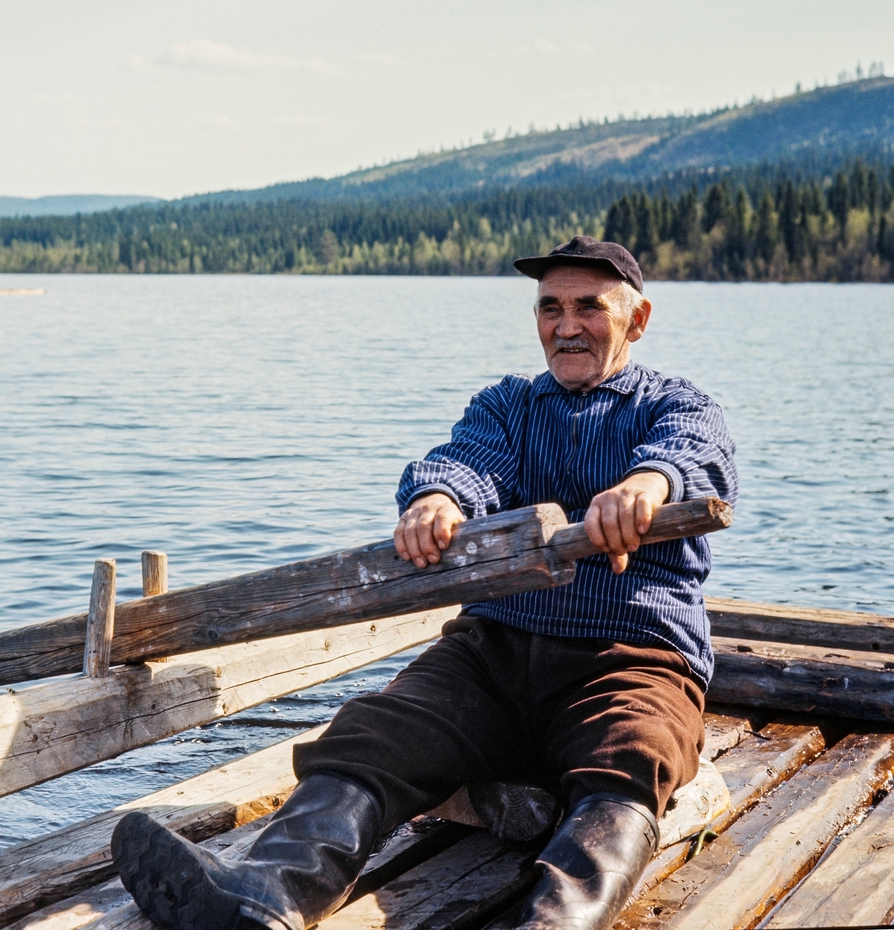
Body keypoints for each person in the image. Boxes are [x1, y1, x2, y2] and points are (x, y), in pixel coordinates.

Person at [112, 235, 738, 930]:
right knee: (371, 734)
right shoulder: (507, 404)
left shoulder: (674, 403)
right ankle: (264, 897)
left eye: (588, 307)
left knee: (631, 756)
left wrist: (646, 485)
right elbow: (464, 460)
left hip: (630, 656)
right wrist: (436, 500)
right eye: (550, 308)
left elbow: (695, 456)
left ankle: (551, 922)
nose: (566, 326)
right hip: (493, 651)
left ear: (637, 319)